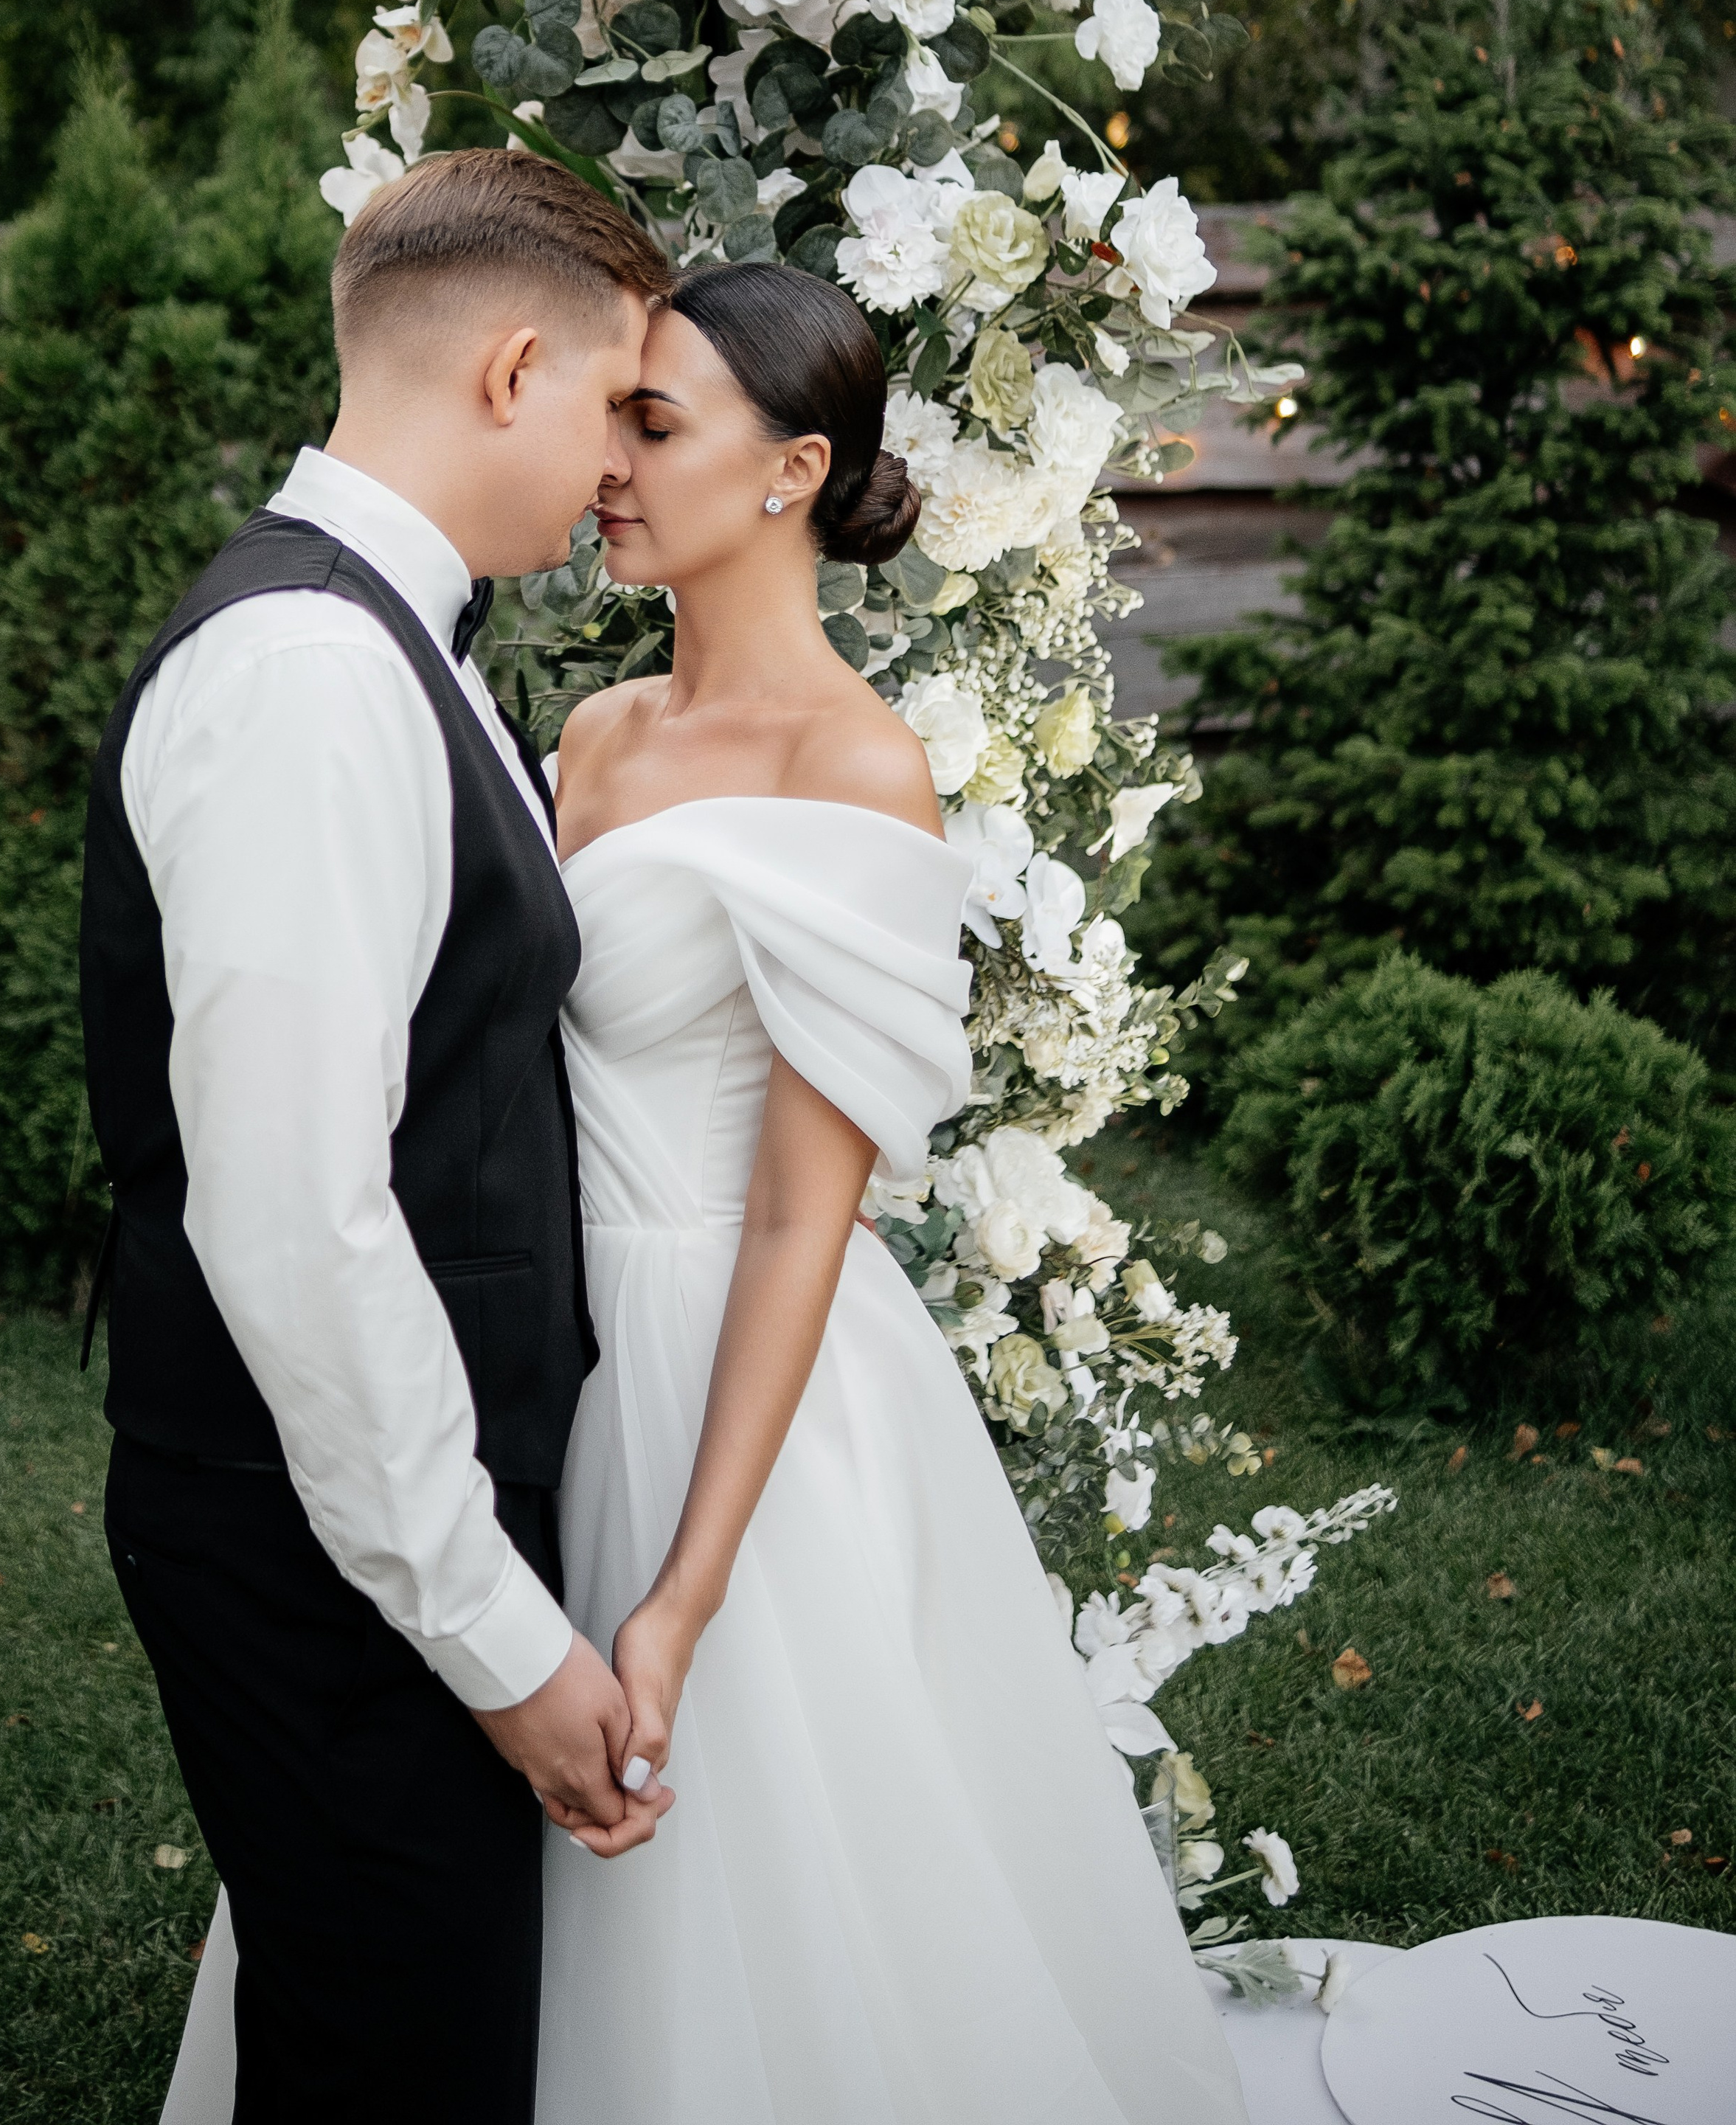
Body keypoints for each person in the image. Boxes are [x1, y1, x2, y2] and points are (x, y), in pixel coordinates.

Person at [536, 261, 1251, 2124]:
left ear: (791, 472)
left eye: (654, 424)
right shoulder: (592, 740)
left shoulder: (854, 772)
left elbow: (800, 1214)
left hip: (736, 1366)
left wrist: (683, 1596)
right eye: (612, 417)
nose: (608, 464)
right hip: (546, 1341)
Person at [79, 147, 675, 2125]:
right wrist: (504, 1645)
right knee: (391, 2065)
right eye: (610, 403)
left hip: (354, 1534)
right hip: (319, 1556)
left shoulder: (390, 639)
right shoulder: (317, 673)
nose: (617, 471)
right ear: (513, 367)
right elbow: (298, 1226)